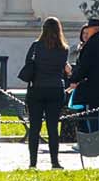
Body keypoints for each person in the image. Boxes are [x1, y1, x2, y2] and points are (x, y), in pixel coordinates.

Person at [19, 17, 71, 169]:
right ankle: (55, 161)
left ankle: (33, 162)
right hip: (55, 88)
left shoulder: (36, 46)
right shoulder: (64, 49)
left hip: (37, 88)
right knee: (53, 128)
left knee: (34, 128)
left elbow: (28, 63)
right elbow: (63, 69)